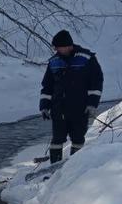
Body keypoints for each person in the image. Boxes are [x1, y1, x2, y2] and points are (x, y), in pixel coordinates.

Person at [39, 30, 103, 164]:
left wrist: (92, 104)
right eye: (55, 47)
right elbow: (47, 86)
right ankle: (54, 168)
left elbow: (96, 83)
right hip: (58, 109)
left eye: (58, 47)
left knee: (78, 139)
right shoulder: (54, 61)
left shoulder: (87, 59)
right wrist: (44, 106)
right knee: (57, 140)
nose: (56, 50)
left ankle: (74, 168)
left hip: (80, 108)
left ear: (68, 46)